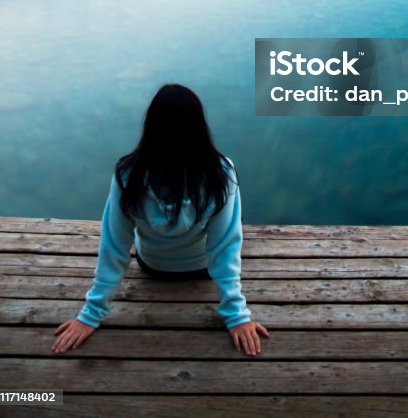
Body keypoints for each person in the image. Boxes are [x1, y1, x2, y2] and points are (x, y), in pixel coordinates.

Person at [52, 84, 269, 356]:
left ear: (151, 126)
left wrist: (91, 314)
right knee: (231, 235)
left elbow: (114, 246)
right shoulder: (222, 172)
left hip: (153, 267)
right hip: (202, 268)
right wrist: (237, 316)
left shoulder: (127, 174)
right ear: (199, 126)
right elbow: (224, 248)